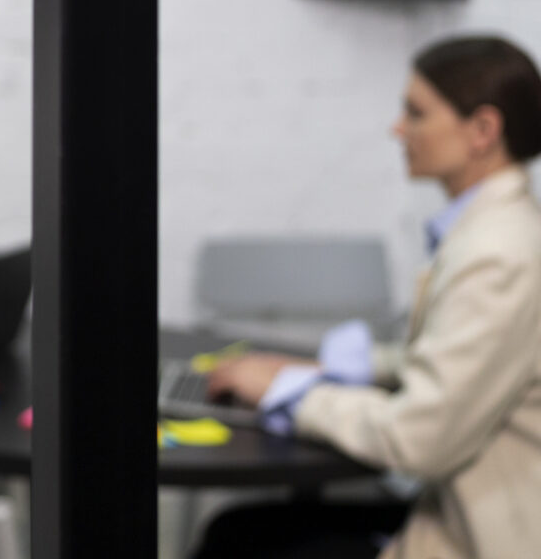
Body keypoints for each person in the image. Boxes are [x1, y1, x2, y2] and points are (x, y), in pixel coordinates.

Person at [196, 36, 541, 559]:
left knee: (238, 541)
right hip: (457, 512)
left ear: (483, 131)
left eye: (417, 113)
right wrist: (330, 370)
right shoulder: (496, 231)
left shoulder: (500, 254)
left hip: (475, 540)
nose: (398, 129)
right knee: (241, 530)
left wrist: (288, 392)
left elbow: (419, 440)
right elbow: (458, 365)